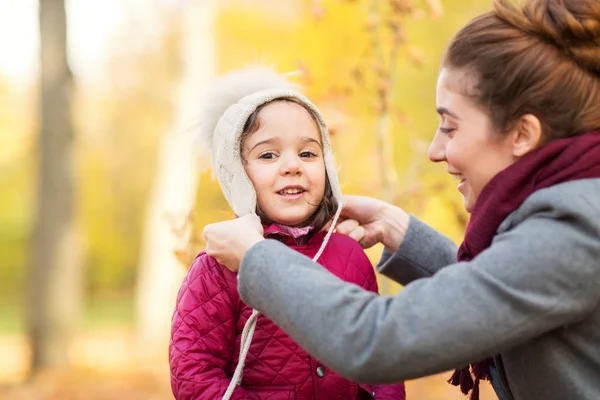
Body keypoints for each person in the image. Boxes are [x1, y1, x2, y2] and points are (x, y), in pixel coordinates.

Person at [201, 0, 600, 399]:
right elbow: (500, 294)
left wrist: (256, 258)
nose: (434, 149)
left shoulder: (574, 230)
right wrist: (399, 231)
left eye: (449, 126)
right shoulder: (573, 213)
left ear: (522, 134)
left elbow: (376, 340)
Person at [168, 67, 406, 400]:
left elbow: (380, 357)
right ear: (238, 173)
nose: (292, 165)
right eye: (268, 155)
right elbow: (194, 374)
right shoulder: (218, 266)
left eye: (308, 153)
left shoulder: (350, 255)